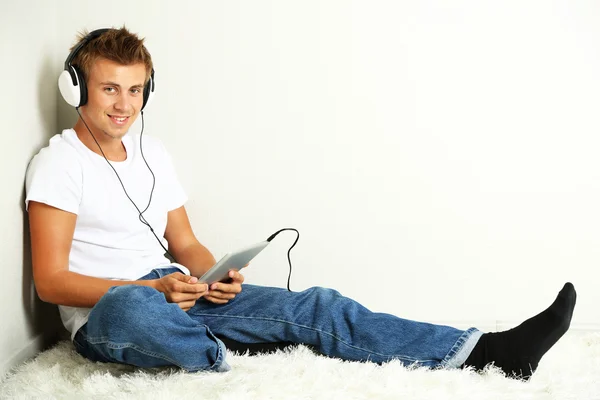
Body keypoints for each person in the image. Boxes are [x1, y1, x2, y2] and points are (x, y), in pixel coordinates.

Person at [25, 27, 577, 380]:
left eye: (136, 90)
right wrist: (150, 290)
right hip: (113, 311)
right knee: (134, 309)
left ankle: (486, 353)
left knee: (316, 305)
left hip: (178, 294)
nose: (125, 105)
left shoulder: (153, 153)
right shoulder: (59, 162)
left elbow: (185, 243)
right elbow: (51, 282)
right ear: (77, 88)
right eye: (109, 89)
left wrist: (215, 277)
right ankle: (225, 353)